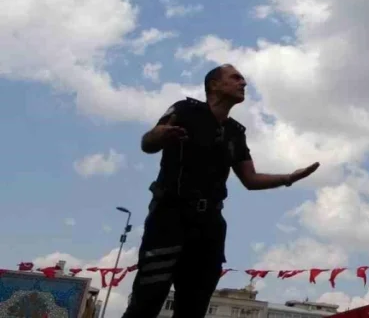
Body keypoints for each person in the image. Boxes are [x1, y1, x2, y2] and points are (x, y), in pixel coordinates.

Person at [122, 64, 320, 318]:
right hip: (170, 218)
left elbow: (250, 179)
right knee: (146, 302)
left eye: (243, 79)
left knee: (194, 308)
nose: (243, 83)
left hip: (209, 226)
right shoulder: (185, 110)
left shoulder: (235, 133)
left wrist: (288, 178)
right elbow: (148, 144)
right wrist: (162, 134)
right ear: (214, 84)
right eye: (236, 78)